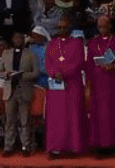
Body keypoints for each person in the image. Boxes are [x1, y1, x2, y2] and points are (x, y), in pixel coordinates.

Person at [86, 15, 115, 155]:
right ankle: (102, 147)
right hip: (98, 85)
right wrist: (88, 85)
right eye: (99, 25)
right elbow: (89, 65)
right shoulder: (93, 43)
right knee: (100, 117)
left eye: (104, 25)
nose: (102, 28)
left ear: (110, 26)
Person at [45, 16, 87, 158]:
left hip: (72, 85)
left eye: (64, 27)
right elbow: (48, 62)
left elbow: (79, 62)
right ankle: (55, 148)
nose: (62, 30)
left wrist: (64, 72)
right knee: (55, 118)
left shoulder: (76, 43)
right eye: (59, 28)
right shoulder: (51, 44)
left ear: (69, 28)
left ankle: (73, 148)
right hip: (56, 88)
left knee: (72, 117)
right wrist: (54, 72)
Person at [0, 32, 40, 156]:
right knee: (10, 120)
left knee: (24, 120)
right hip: (10, 90)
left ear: (23, 40)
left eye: (20, 38)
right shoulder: (6, 53)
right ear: (12, 40)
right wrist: (5, 74)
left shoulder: (31, 54)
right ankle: (8, 146)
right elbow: (0, 71)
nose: (18, 40)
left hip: (24, 89)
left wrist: (22, 75)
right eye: (16, 38)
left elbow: (36, 73)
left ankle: (25, 146)